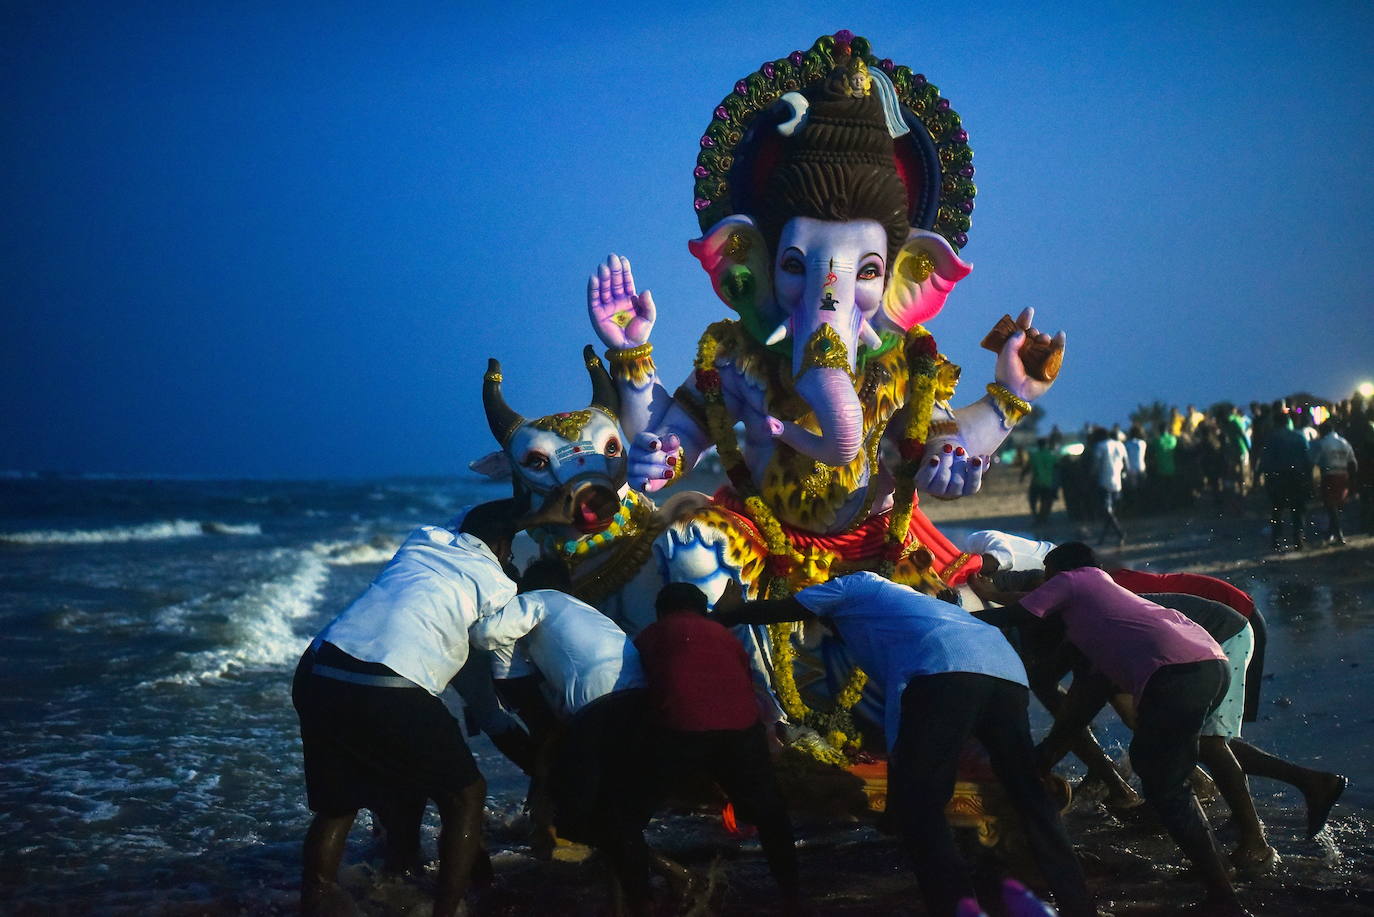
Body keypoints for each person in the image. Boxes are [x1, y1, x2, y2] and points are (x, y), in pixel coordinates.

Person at [714, 572, 1096, 917]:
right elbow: (907, 702)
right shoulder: (912, 609)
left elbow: (790, 607)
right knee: (1028, 793)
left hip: (946, 671)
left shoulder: (860, 582)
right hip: (1005, 672)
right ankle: (1080, 906)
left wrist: (733, 613)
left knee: (923, 810)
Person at [974, 542, 1250, 916]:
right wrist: (1046, 754)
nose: (1047, 583)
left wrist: (950, 615)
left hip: (1178, 671)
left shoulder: (1074, 579)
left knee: (1166, 786)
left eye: (1048, 574)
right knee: (1163, 773)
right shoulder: (1100, 613)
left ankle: (1223, 896)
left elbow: (1022, 614)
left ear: (1058, 569)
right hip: (1207, 663)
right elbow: (1076, 706)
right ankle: (1220, 871)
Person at [290, 500, 522, 917]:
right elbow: (493, 695)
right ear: (503, 547)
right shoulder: (498, 587)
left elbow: (473, 522)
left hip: (319, 668)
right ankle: (447, 909)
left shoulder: (423, 540)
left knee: (340, 804)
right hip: (387, 683)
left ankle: (317, 896)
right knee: (466, 795)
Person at [469, 558, 657, 915]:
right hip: (640, 705)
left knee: (576, 816)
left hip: (600, 709)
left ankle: (650, 885)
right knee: (615, 811)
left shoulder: (537, 600)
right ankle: (635, 896)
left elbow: (486, 637)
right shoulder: (585, 612)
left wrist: (479, 617)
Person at [634, 582, 801, 907]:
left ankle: (646, 893)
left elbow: (639, 693)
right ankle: (793, 896)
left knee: (626, 816)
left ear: (659, 613)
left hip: (681, 731)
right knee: (771, 815)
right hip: (741, 730)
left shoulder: (650, 635)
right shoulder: (724, 636)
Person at [1257, 415, 1313, 551]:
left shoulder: (1271, 438)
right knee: (1298, 509)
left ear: (1276, 423)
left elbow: (1265, 460)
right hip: (1297, 478)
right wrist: (1309, 480)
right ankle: (1298, 540)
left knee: (1277, 510)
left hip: (1277, 479)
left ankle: (1276, 540)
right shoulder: (1299, 437)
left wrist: (1258, 477)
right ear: (1289, 422)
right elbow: (1307, 460)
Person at [1310, 421, 1358, 544]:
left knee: (1330, 506)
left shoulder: (1322, 443)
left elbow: (1314, 461)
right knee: (1336, 506)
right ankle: (1331, 533)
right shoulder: (1344, 443)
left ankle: (1339, 534)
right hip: (1343, 476)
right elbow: (1353, 462)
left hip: (1329, 476)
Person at [1089, 427, 1126, 545]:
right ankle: (1103, 538)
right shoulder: (1120, 445)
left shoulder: (1099, 446)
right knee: (1111, 512)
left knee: (1107, 511)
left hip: (1104, 482)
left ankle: (1120, 533)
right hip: (1118, 482)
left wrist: (1091, 476)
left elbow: (1095, 466)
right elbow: (1126, 463)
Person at [1021, 438, 1060, 525]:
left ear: (1038, 445)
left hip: (1036, 482)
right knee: (1046, 501)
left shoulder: (1034, 456)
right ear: (1045, 445)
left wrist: (1022, 477)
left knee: (1032, 500)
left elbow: (1027, 467)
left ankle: (1036, 516)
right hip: (1048, 482)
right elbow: (1057, 467)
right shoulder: (1051, 455)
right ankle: (1043, 517)